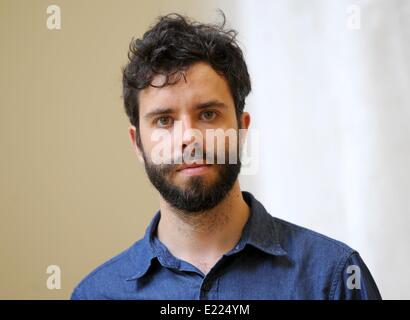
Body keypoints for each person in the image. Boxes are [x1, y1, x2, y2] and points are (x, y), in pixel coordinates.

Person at [71, 13, 381, 300]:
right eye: (164, 120)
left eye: (207, 114)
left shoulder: (335, 278)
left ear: (241, 129)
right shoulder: (97, 294)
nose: (189, 137)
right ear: (137, 143)